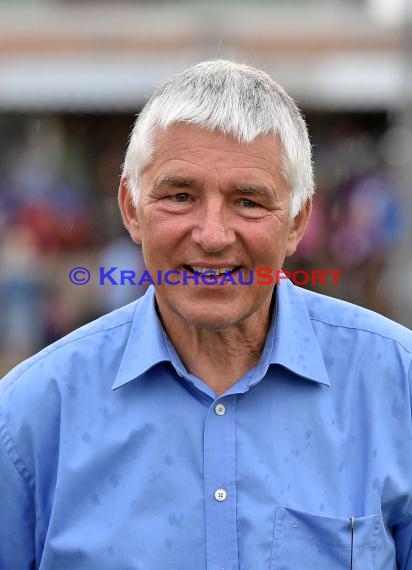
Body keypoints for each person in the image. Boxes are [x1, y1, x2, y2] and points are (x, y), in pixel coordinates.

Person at [0, 60, 411, 570]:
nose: (213, 236)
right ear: (131, 209)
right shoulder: (30, 416)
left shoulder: (396, 385)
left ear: (298, 222)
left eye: (248, 202)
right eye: (180, 196)